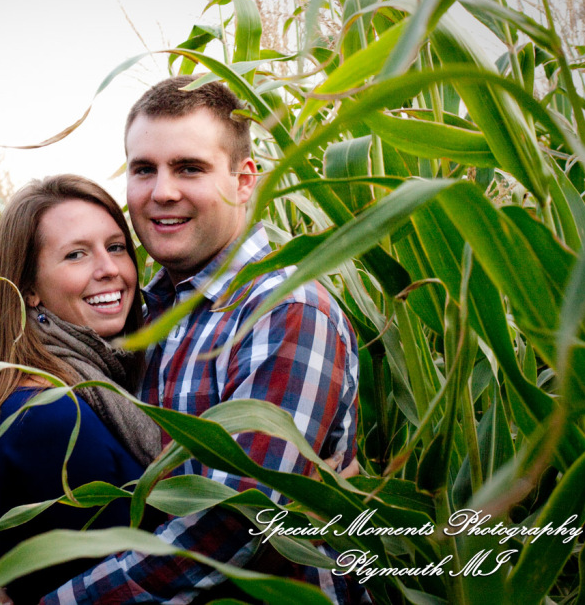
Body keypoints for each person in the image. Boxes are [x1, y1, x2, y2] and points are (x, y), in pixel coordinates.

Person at [42, 76, 364, 604]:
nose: (162, 191)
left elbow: (234, 525)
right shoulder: (148, 313)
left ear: (244, 182)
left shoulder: (285, 312)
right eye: (144, 169)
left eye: (189, 168)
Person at [0, 174, 164, 605]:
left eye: (116, 247)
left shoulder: (90, 386)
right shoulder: (49, 418)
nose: (109, 269)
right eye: (76, 255)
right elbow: (133, 581)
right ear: (30, 289)